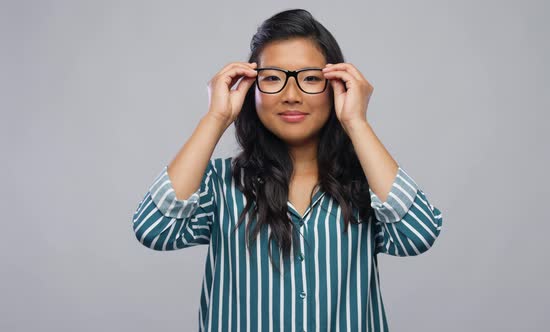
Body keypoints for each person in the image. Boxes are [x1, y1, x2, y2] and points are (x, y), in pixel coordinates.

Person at [132, 8, 443, 332]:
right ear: (251, 88)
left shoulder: (366, 184)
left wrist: (356, 122)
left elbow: (418, 235)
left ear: (336, 86)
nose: (291, 95)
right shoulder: (218, 184)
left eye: (310, 78)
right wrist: (216, 118)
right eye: (272, 79)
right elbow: (155, 229)